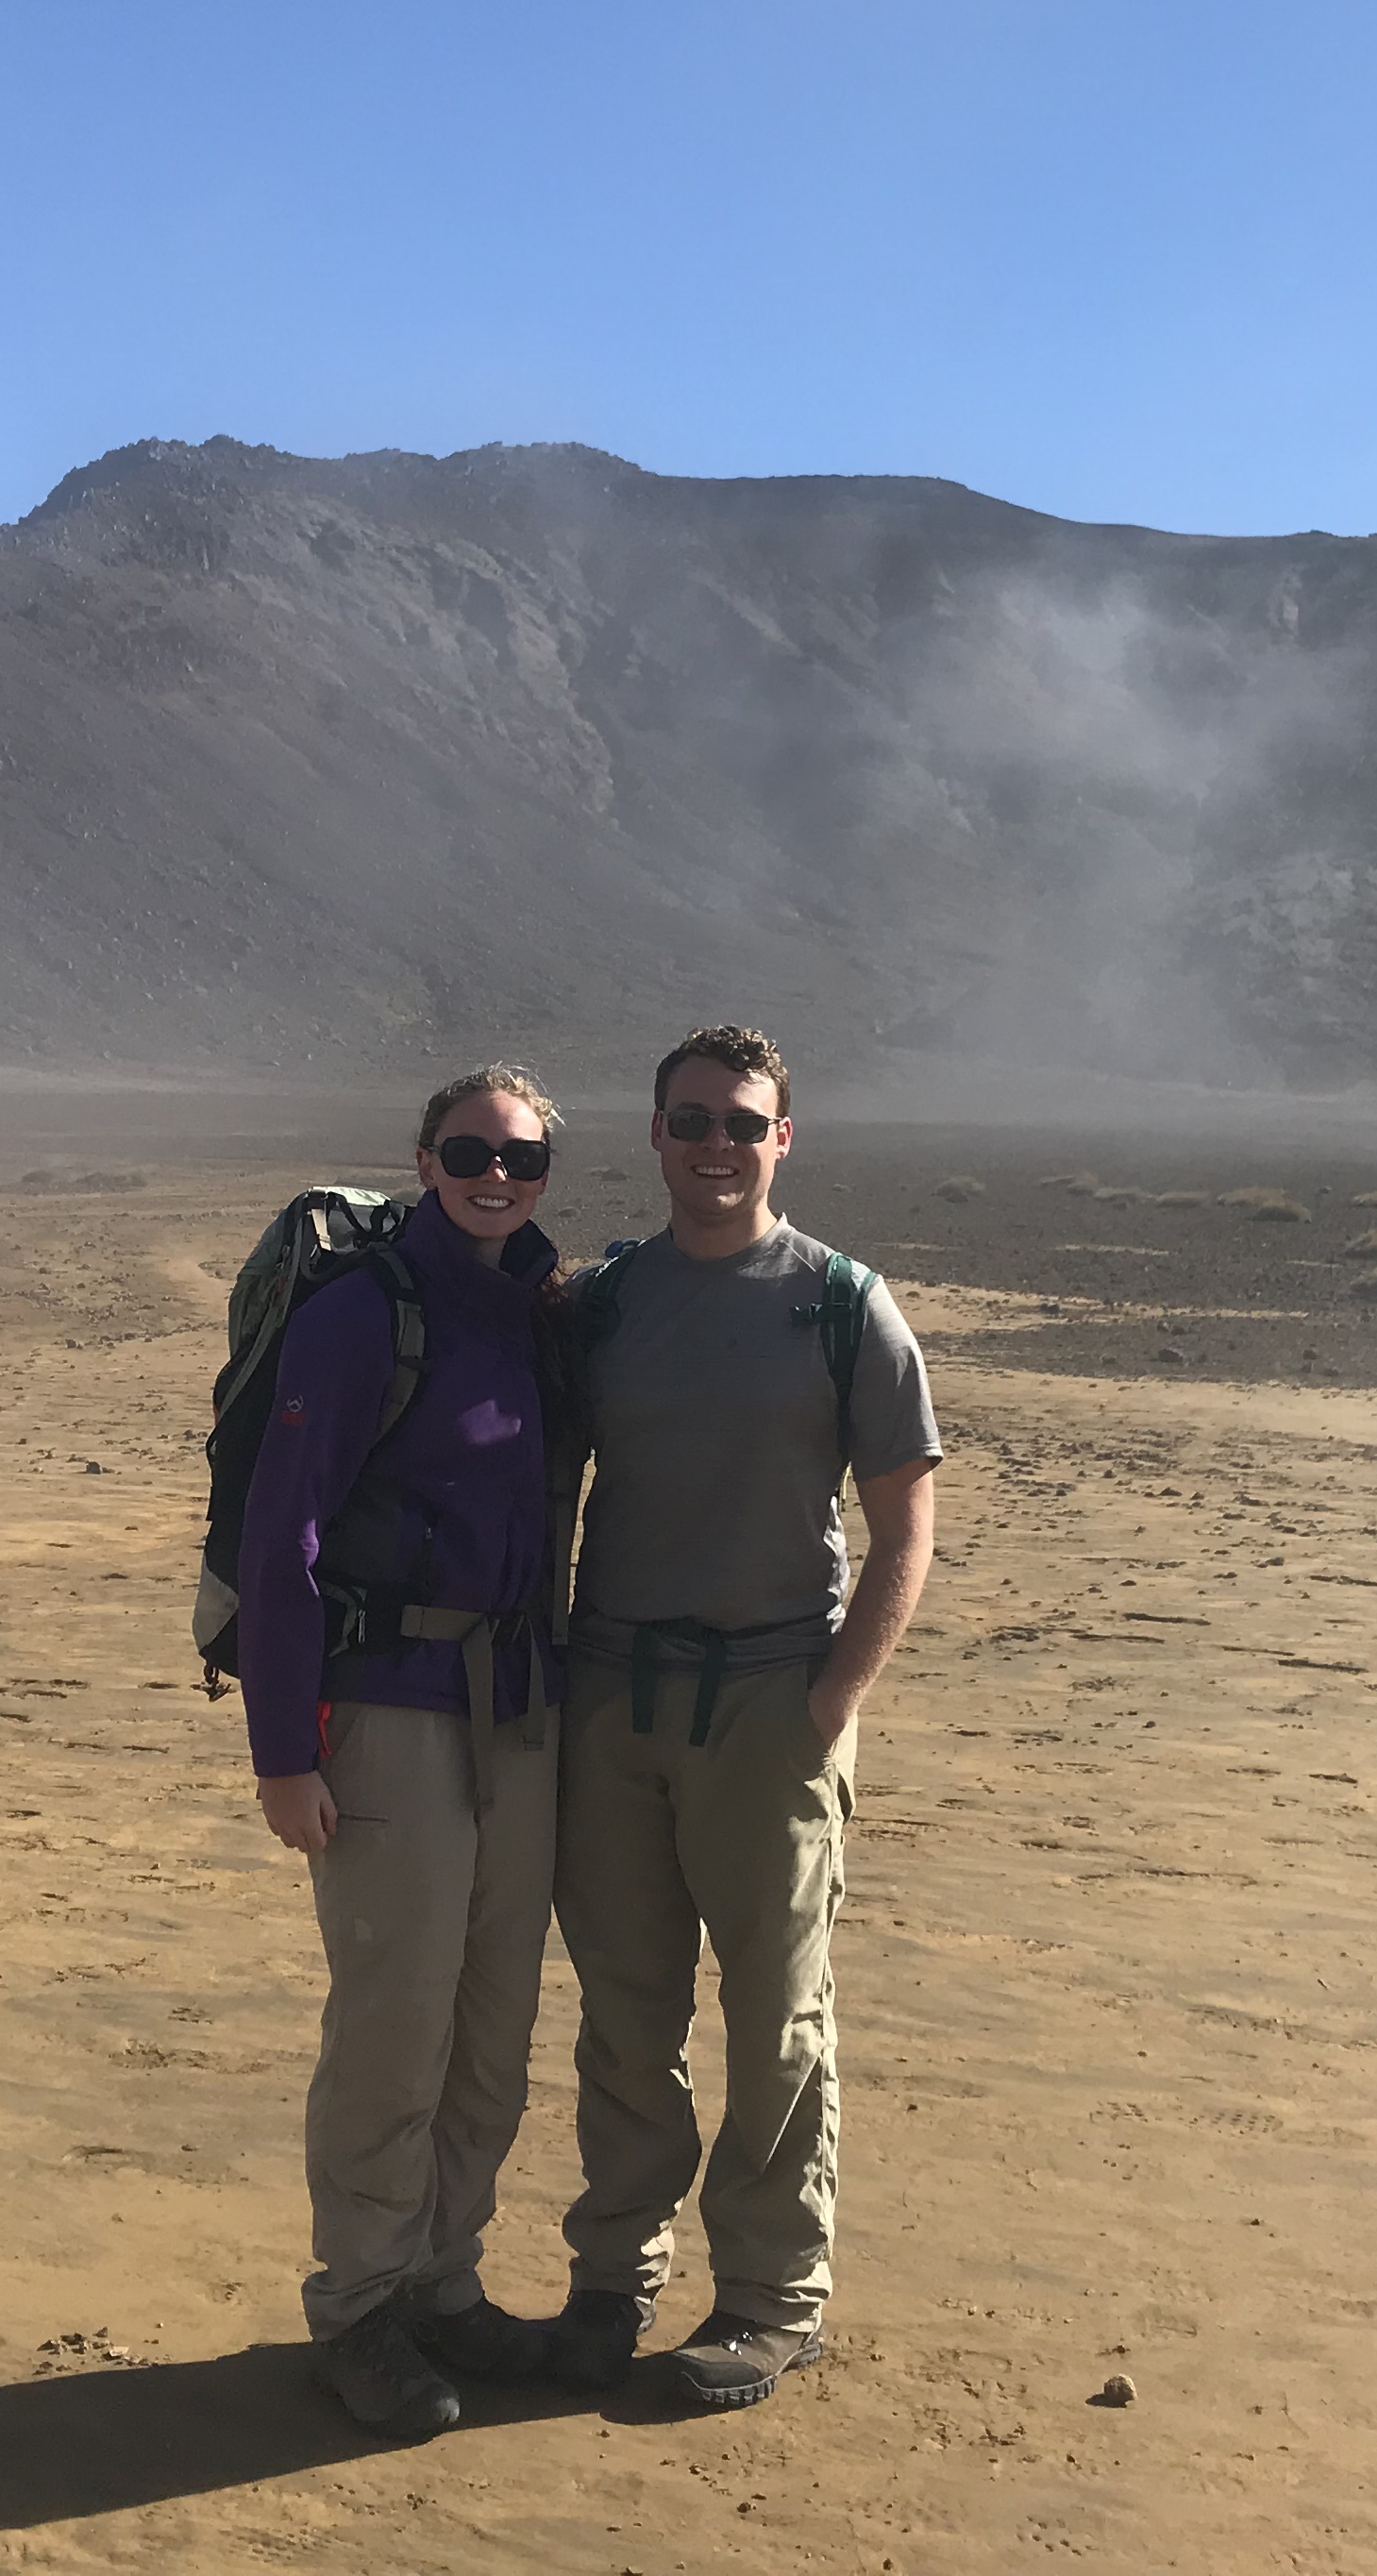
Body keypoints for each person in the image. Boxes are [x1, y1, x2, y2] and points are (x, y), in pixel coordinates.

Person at [546, 1022, 941, 2409]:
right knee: (623, 2010)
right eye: (691, 1120)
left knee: (776, 2019)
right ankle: (613, 2279)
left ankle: (772, 2300)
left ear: (785, 1140)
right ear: (654, 1135)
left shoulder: (840, 1304)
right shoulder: (601, 1302)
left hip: (771, 1702)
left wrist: (829, 1702)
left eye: (741, 1123)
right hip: (613, 1706)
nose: (715, 1144)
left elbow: (904, 1529)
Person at [238, 1065, 573, 2437]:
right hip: (387, 1711)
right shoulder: (363, 1313)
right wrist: (282, 1750)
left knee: (494, 2021)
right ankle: (364, 2308)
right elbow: (283, 1537)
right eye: (468, 1150)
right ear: (423, 1159)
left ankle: (446, 2282)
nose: (496, 1174)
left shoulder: (546, 1312)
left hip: (519, 1711)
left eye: (523, 1154)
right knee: (397, 2020)